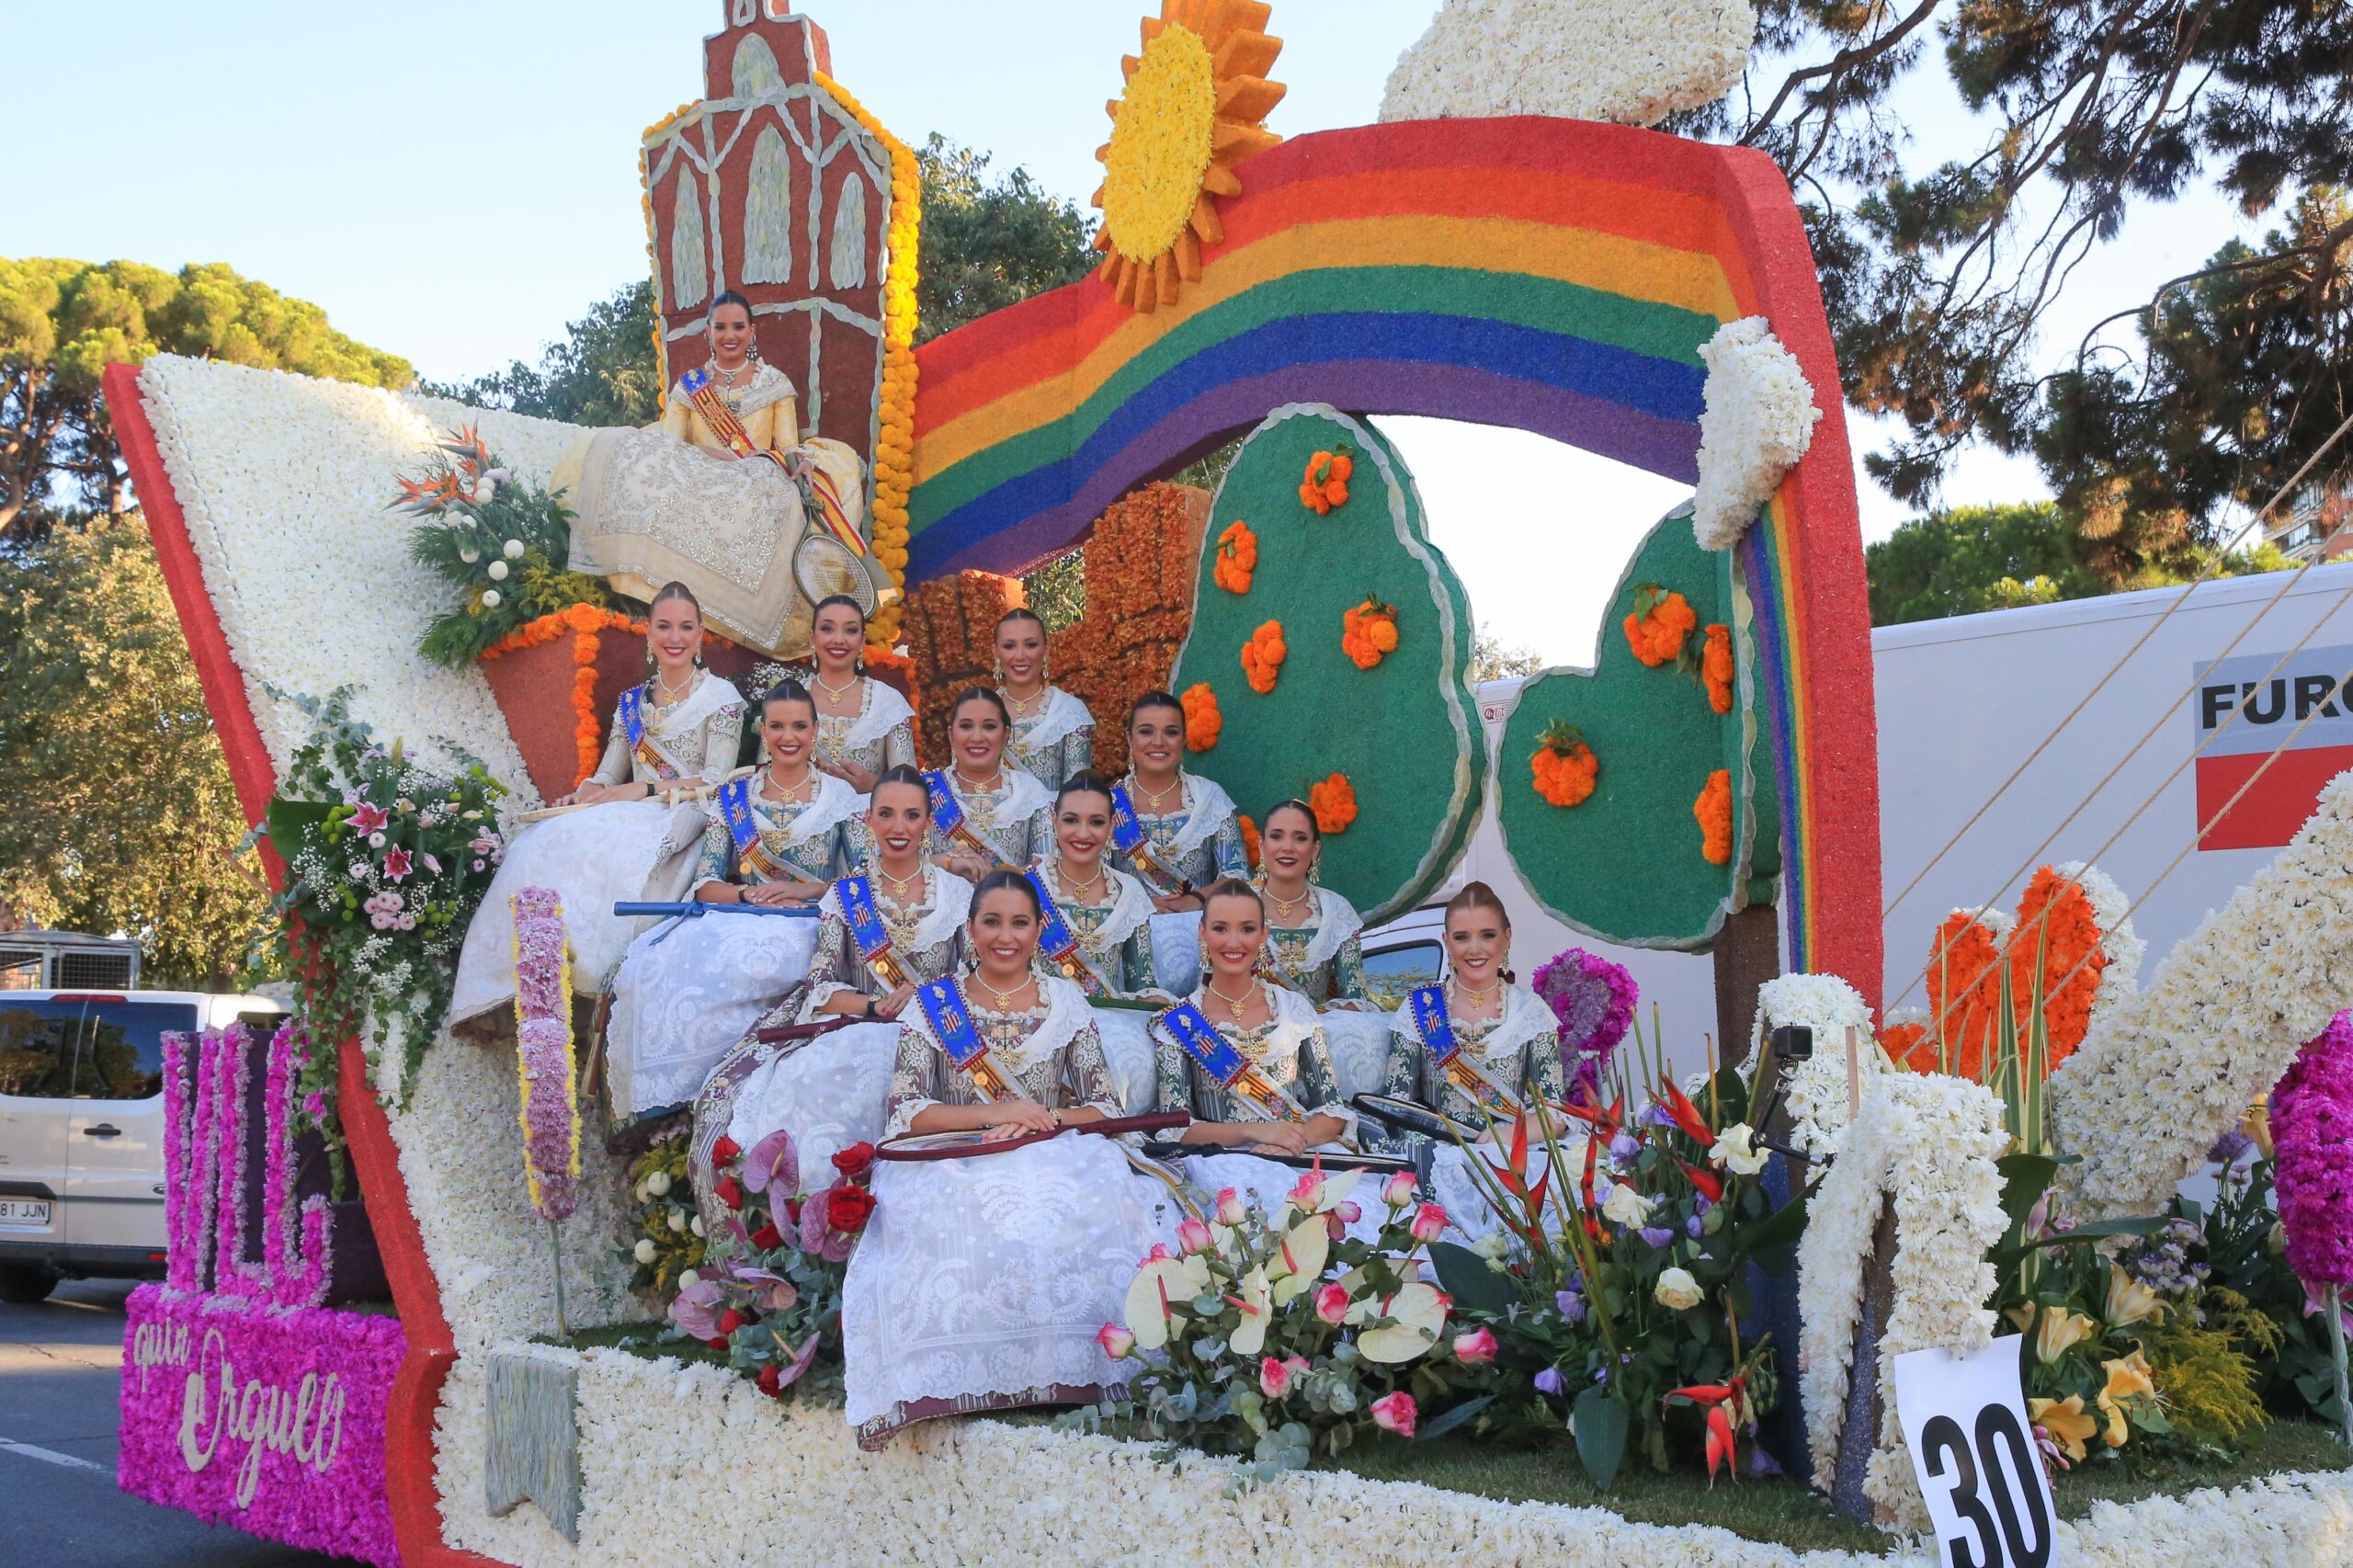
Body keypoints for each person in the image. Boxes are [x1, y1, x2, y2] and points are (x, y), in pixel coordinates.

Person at [839, 871, 1172, 1449]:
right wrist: (997, 1114)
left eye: (1020, 922)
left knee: (1095, 1197)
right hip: (952, 1154)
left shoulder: (1064, 1001)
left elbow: (1101, 1105)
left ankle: (1093, 1370)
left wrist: (1043, 1119)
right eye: (991, 922)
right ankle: (954, 1376)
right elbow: (908, 1111)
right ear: (970, 929)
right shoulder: (934, 1004)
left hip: (1048, 1146)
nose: (1005, 936)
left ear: (1040, 929)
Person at [449, 582, 744, 1028]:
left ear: (701, 634)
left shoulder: (722, 700)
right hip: (629, 808)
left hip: (690, 810)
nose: (675, 637)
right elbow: (608, 775)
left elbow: (718, 779)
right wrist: (582, 795)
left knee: (620, 853)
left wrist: (640, 791)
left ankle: (593, 974)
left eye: (686, 627)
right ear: (648, 633)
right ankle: (535, 966)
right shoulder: (631, 703)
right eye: (664, 626)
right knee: (542, 838)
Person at [553, 291, 891, 658]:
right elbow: (669, 446)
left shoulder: (773, 383)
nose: (730, 335)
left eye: (738, 327)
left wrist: (796, 463)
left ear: (752, 331)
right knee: (628, 453)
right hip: (698, 468)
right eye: (720, 327)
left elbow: (788, 445)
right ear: (708, 333)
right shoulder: (691, 386)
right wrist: (706, 453)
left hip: (755, 471)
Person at [697, 768, 972, 1203]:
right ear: (868, 821)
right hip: (861, 1029)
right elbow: (820, 984)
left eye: (911, 815)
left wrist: (925, 997)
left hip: (941, 1035)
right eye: (886, 814)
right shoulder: (843, 895)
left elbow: (978, 977)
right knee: (816, 1080)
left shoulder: (961, 896)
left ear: (928, 822)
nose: (898, 827)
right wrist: (876, 1004)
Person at [600, 679, 854, 1139]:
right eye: (777, 726)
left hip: (809, 924)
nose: (788, 736)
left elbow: (862, 886)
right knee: (656, 967)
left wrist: (806, 892)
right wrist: (746, 895)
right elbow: (705, 885)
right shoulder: (734, 798)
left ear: (816, 730)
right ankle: (663, 1101)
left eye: (799, 725)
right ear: (762, 731)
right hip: (740, 917)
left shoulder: (843, 801)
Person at [1149, 881, 1383, 1241]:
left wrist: (1291, 1138)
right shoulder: (1180, 1022)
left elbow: (1333, 1111)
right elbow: (1176, 1127)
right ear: (1202, 932)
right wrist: (1254, 1131)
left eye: (1247, 929)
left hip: (1300, 1152)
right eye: (1220, 928)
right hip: (1225, 1165)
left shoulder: (1294, 1009)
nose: (1233, 942)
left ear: (1264, 935)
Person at [1376, 882, 1567, 1239]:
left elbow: (1555, 1112)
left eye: (1488, 935)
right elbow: (1395, 1106)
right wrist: (1432, 1154)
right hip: (1438, 1162)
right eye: (1462, 937)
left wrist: (1508, 1136)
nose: (1475, 949)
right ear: (1447, 942)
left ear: (1506, 938)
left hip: (1512, 1159)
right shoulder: (1419, 1009)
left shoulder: (1531, 1013)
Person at [1108, 691, 1246, 994]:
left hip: (1201, 935)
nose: (1158, 742)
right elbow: (1093, 879)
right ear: (1130, 739)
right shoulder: (1108, 806)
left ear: (1183, 741)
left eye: (1170, 732)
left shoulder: (1210, 798)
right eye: (1146, 731)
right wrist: (1139, 905)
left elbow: (1236, 877)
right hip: (1130, 937)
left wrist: (1194, 901)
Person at [1029, 773, 1160, 999]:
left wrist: (1150, 998)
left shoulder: (1130, 893)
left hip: (1109, 1027)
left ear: (1112, 825)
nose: (1083, 833)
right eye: (1071, 820)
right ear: (1054, 820)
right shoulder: (1026, 887)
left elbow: (1142, 982)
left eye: (1096, 822)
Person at [1254, 799, 1371, 1006]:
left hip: (1316, 1033)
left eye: (1300, 838)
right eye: (1276, 836)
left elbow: (1355, 996)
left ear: (1315, 849)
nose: (1287, 847)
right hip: (1247, 1034)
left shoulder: (1337, 910)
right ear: (1262, 846)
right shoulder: (1233, 906)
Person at [925, 687, 1053, 878]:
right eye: (966, 726)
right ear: (951, 735)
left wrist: (1002, 873)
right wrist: (947, 862)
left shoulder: (1030, 792)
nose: (977, 737)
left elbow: (1050, 867)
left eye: (989, 727)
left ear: (1005, 734)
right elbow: (898, 865)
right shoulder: (925, 792)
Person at [805, 594, 915, 794]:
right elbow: (765, 775)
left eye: (850, 630)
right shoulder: (788, 699)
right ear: (813, 637)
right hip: (799, 820)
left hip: (870, 820)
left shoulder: (887, 702)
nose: (838, 639)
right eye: (827, 629)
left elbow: (909, 788)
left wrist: (874, 787)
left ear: (863, 640)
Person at [994, 608, 1094, 791]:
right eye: (1009, 646)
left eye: (1031, 645)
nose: (1020, 655)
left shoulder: (1069, 712)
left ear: (1046, 650)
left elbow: (1078, 795)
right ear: (996, 653)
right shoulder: (978, 713)